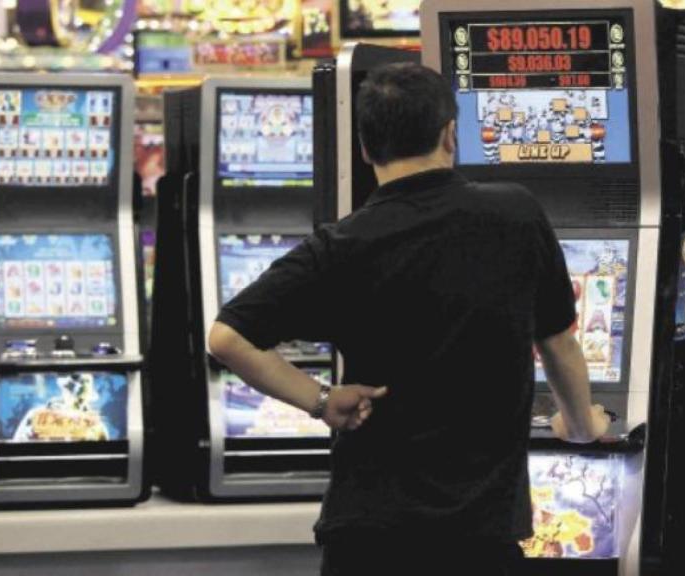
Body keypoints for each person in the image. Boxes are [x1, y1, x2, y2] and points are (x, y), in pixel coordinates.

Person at [208, 63, 610, 576]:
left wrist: (322, 399)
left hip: (368, 536)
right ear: (450, 134)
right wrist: (580, 426)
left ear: (365, 148)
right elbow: (559, 345)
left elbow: (227, 338)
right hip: (478, 536)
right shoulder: (516, 214)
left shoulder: (342, 245)